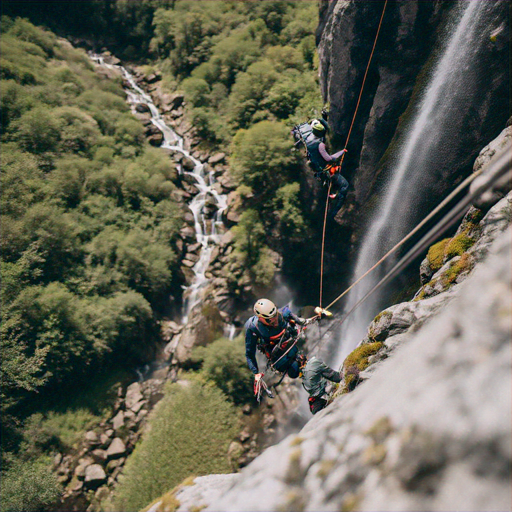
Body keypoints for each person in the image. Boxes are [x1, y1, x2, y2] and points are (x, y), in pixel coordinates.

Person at [292, 113, 349, 220]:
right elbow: (329, 159)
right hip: (326, 170)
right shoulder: (320, 145)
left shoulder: (308, 138)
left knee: (332, 184)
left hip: (318, 168)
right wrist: (342, 152)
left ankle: (332, 193)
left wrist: (323, 119)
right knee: (345, 186)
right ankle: (334, 212)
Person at [245, 299, 307, 389]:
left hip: (290, 344)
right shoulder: (253, 328)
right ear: (260, 318)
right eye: (270, 320)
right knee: (294, 372)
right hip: (276, 355)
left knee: (300, 366)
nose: (275, 320)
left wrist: (301, 321)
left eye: (275, 315)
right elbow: (249, 353)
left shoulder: (283, 313)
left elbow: (295, 317)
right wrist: (256, 372)